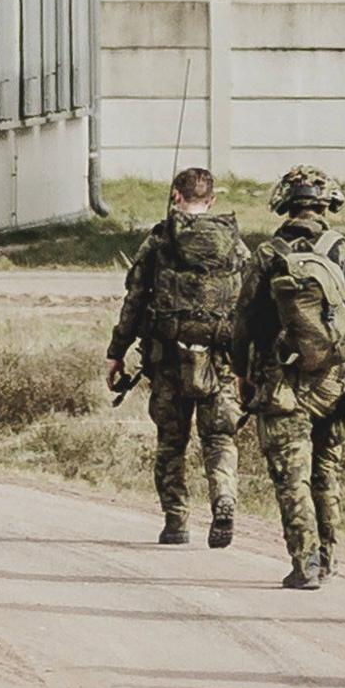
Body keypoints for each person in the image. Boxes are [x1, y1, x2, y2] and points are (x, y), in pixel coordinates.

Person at [236, 166, 345, 591]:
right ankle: (330, 556)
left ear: (285, 202)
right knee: (326, 471)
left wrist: (242, 374)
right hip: (336, 382)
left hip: (281, 381)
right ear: (327, 203)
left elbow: (243, 323)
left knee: (290, 475)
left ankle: (306, 562)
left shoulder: (267, 255)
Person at [104, 168, 251, 547]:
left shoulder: (160, 240)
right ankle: (224, 498)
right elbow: (250, 305)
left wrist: (116, 352)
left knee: (172, 441)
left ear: (176, 196)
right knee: (219, 438)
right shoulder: (235, 245)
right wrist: (248, 363)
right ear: (212, 200)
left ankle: (176, 522)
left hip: (168, 356)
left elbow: (135, 299)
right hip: (219, 359)